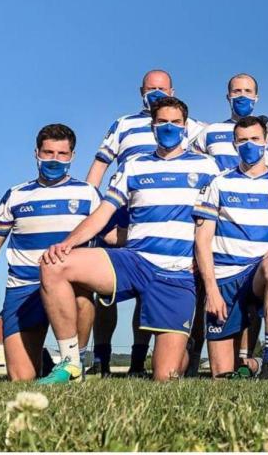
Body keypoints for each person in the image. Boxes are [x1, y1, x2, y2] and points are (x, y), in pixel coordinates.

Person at [37, 97, 220, 384]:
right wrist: (68, 243)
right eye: (162, 122)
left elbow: (215, 224)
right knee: (54, 264)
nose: (168, 127)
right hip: (133, 261)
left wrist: (207, 266)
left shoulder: (208, 167)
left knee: (165, 376)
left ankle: (183, 348)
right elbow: (103, 213)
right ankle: (72, 362)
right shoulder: (134, 165)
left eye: (175, 122)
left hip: (175, 273)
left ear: (185, 127)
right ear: (152, 126)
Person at [84, 69, 206, 377]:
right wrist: (90, 209)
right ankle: (101, 357)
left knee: (154, 279)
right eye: (151, 88)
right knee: (107, 289)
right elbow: (100, 164)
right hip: (125, 204)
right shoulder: (124, 124)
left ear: (173, 90)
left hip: (169, 215)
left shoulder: (191, 126)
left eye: (161, 88)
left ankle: (142, 358)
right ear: (141, 91)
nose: (156, 92)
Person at [0, 124, 112, 381]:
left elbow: (108, 237)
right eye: (48, 152)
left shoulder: (87, 193)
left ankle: (74, 363)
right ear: (36, 153)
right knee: (22, 378)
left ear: (72, 156)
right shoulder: (15, 195)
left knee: (82, 292)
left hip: (69, 287)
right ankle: (45, 363)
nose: (54, 159)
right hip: (24, 289)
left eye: (61, 154)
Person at [192, 116, 268, 379]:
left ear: (266, 142)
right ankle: (252, 364)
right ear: (234, 144)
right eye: (242, 140)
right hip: (225, 279)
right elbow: (202, 240)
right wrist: (211, 291)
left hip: (261, 273)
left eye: (255, 139)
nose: (249, 145)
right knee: (223, 375)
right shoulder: (217, 183)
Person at [192, 73, 268, 172]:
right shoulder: (210, 131)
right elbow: (191, 164)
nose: (242, 95)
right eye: (237, 91)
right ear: (228, 97)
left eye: (248, 91)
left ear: (256, 97)